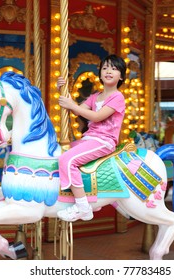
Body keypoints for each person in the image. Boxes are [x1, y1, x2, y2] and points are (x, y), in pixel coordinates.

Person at [56, 54, 127, 222]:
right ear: (100, 74)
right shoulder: (96, 96)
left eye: (114, 69)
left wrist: (72, 105)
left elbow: (96, 117)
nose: (109, 71)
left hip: (104, 141)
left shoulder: (118, 97)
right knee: (58, 153)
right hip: (89, 139)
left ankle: (82, 207)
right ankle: (85, 197)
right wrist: (63, 91)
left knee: (67, 160)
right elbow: (77, 109)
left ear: (121, 76)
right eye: (105, 68)